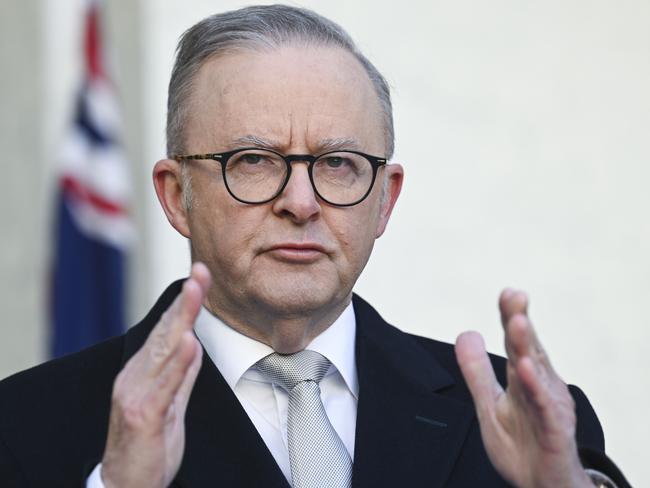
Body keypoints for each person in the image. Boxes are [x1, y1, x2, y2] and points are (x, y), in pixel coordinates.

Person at [0, 5, 631, 487]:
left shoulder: (516, 417)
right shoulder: (26, 424)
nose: (300, 202)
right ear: (174, 195)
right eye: (252, 160)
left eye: (337, 164)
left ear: (385, 198)